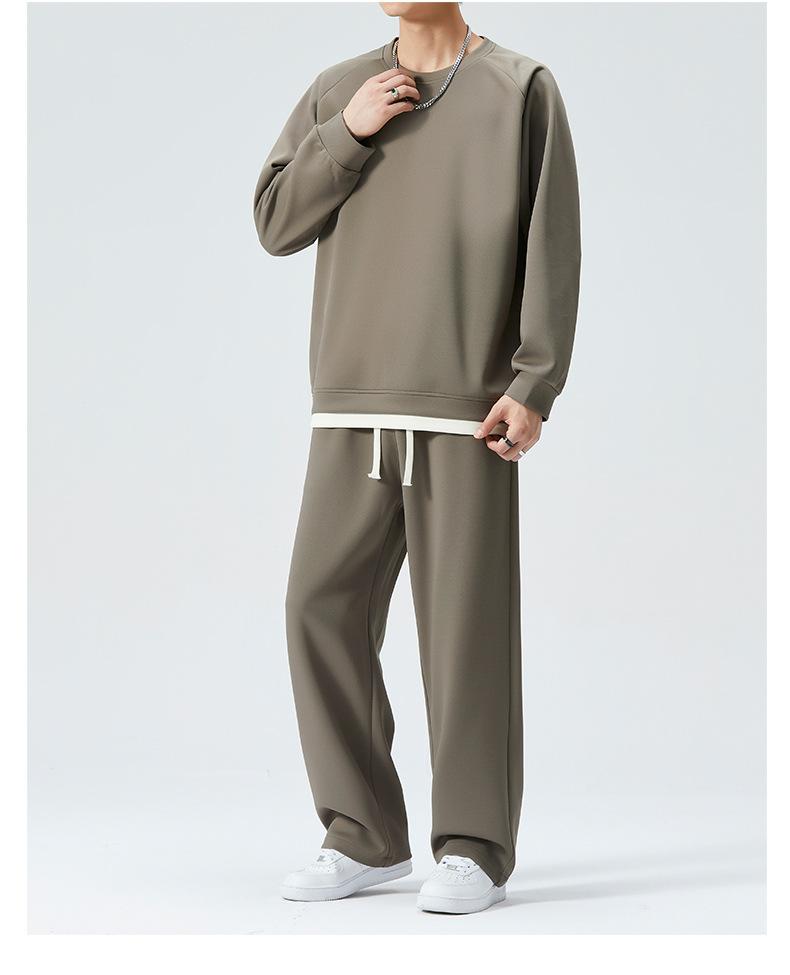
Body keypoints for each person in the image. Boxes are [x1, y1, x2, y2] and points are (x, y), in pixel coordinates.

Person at [253, 1, 580, 914]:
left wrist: (536, 381)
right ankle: (361, 833)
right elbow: (275, 221)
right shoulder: (339, 88)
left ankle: (474, 845)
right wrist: (348, 132)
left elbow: (552, 240)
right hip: (351, 404)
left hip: (468, 408)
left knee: (465, 630)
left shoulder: (520, 88)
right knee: (317, 606)